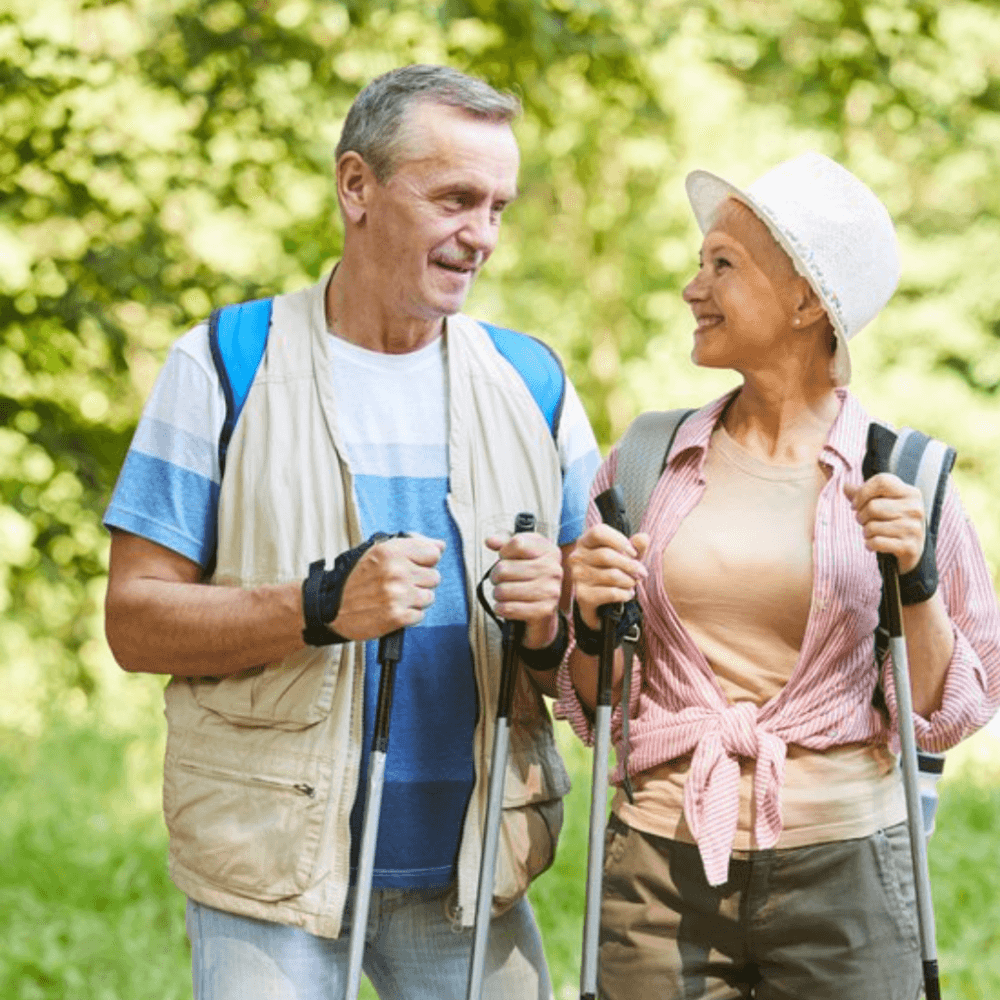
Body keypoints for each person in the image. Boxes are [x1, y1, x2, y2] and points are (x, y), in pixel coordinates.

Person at [103, 64, 600, 1000]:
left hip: (474, 876)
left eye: (498, 206)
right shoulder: (223, 362)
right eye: (456, 198)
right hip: (269, 877)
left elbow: (593, 672)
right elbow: (134, 621)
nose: (482, 235)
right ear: (356, 185)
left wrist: (550, 622)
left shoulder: (536, 386)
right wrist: (318, 605)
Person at [559, 152, 1000, 999]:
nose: (694, 286)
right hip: (661, 866)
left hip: (847, 870)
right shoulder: (647, 463)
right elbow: (596, 705)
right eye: (699, 262)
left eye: (722, 263)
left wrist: (913, 579)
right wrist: (588, 616)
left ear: (807, 302)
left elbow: (941, 716)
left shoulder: (905, 475)